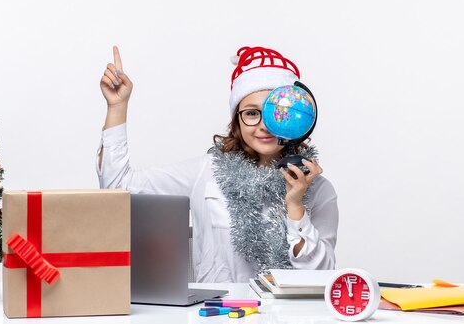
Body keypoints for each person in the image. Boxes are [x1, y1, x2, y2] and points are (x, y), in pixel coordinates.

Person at [96, 46, 338, 283]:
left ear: (296, 118)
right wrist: (117, 107)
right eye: (252, 113)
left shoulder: (318, 189)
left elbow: (321, 276)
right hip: (218, 314)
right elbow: (118, 187)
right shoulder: (208, 172)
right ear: (237, 120)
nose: (264, 126)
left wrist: (296, 205)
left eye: (277, 113)